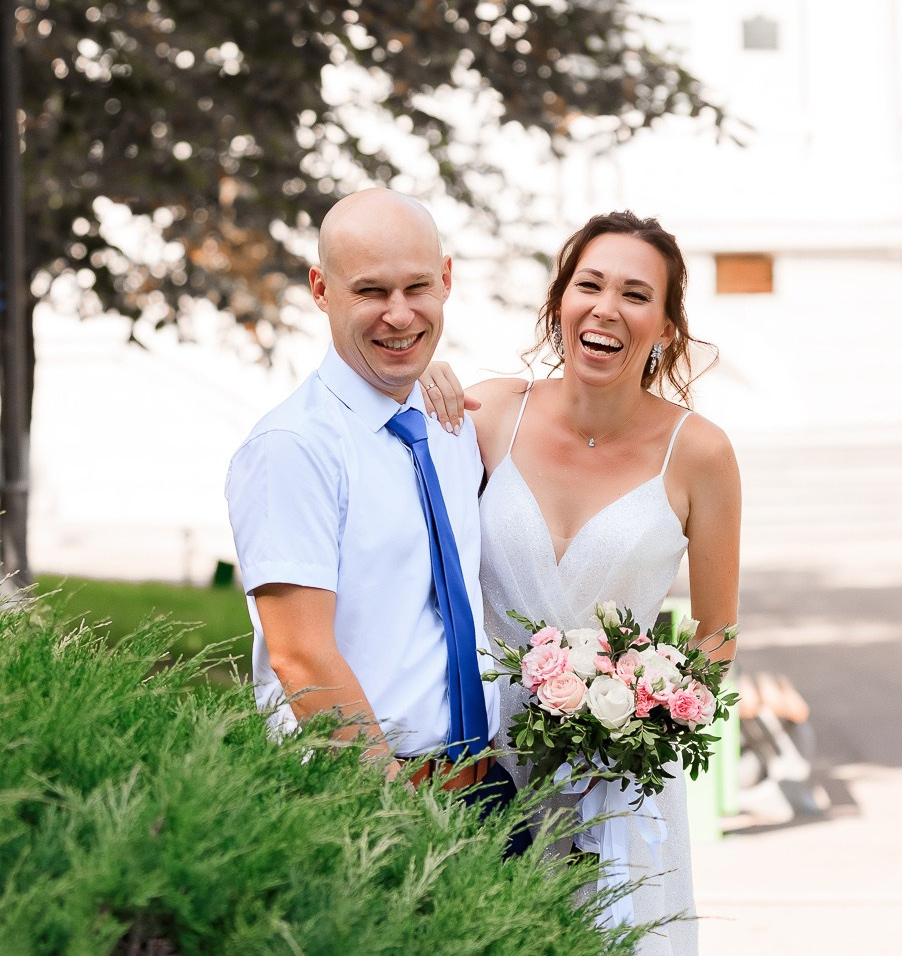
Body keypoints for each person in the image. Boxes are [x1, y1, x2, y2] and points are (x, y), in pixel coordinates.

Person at [456, 211, 743, 954]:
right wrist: (423, 371)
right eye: (590, 283)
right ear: (560, 303)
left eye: (636, 293)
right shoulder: (489, 414)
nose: (607, 306)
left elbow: (716, 636)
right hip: (484, 756)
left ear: (667, 328)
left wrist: (639, 722)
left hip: (620, 777)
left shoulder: (700, 453)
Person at [223, 188, 527, 850]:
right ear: (322, 290)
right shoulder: (291, 447)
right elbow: (299, 652)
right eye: (370, 291)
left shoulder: (445, 423)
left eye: (417, 285)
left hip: (480, 786)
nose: (399, 314)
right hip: (362, 802)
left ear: (446, 279)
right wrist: (394, 809)